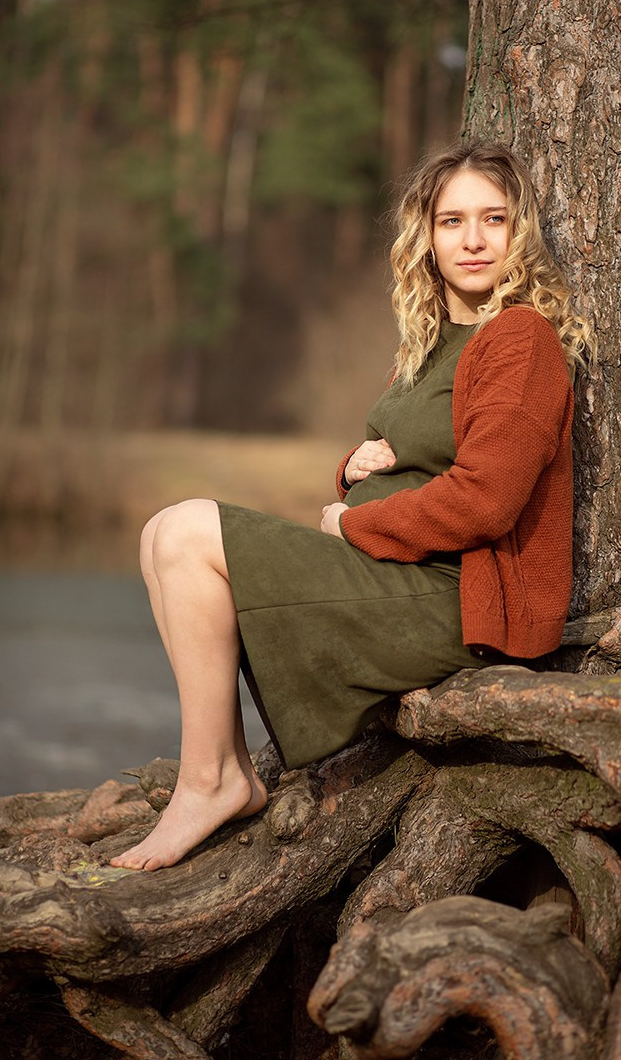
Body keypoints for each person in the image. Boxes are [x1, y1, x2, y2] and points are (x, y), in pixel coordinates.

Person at [109, 140, 592, 872]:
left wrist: (352, 522)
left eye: (493, 219)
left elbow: (486, 500)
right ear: (426, 237)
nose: (472, 240)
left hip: (460, 602)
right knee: (158, 535)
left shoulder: (519, 339)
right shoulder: (431, 340)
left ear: (519, 231)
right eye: (452, 221)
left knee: (184, 533)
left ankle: (209, 783)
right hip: (403, 575)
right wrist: (350, 469)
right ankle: (223, 770)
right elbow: (405, 450)